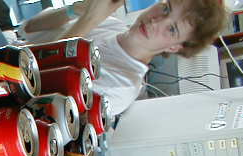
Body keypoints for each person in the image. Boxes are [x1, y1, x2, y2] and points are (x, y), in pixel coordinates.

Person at [17, 0, 227, 114]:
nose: (156, 21)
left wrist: (89, 19)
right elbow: (29, 28)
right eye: (165, 8)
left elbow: (30, 81)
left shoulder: (121, 87)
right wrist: (75, 11)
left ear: (174, 47)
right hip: (6, 49)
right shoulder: (113, 25)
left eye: (172, 29)